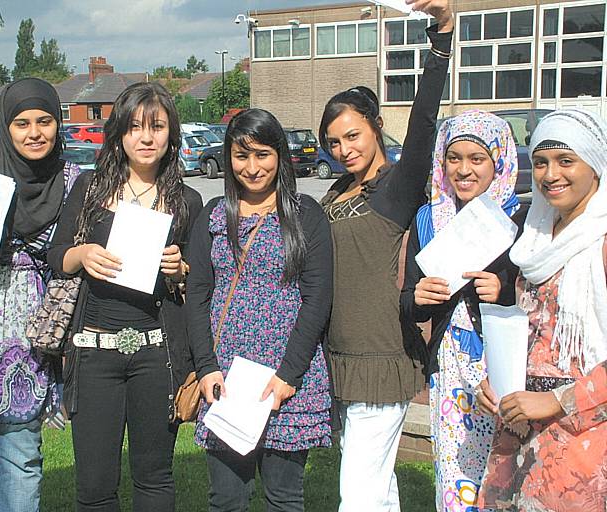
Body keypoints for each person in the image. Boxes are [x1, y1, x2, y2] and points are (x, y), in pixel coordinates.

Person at [316, 1, 453, 510]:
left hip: (384, 357)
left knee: (358, 491)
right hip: (343, 356)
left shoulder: (396, 186)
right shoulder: (335, 194)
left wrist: (440, 34)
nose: (344, 148)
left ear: (376, 127)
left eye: (353, 135)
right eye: (334, 142)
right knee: (375, 480)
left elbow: (423, 119)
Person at [47, 82, 203, 511]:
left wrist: (181, 269)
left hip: (156, 354)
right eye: (134, 127)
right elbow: (56, 255)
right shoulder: (89, 189)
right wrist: (81, 254)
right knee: (95, 485)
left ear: (171, 134)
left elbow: (200, 278)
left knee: (154, 478)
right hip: (94, 353)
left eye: (156, 126)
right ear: (119, 134)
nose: (146, 137)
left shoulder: (187, 201)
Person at [187, 108, 333, 512]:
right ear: (228, 158)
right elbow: (197, 295)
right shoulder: (215, 215)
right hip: (226, 379)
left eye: (262, 154)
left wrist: (290, 373)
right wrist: (206, 367)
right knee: (226, 498)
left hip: (284, 383)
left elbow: (317, 298)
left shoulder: (306, 214)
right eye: (241, 155)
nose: (252, 168)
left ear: (280, 157)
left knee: (284, 498)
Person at [476, 109, 607, 511]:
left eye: (566, 161)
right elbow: (530, 329)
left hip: (582, 432)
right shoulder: (533, 238)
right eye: (540, 163)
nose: (551, 175)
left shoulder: (600, 241)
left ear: (596, 166)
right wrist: (494, 377)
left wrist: (557, 401)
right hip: (517, 425)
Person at [400, 110, 527, 511]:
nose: (464, 170)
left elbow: (544, 306)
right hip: (449, 366)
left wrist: (506, 292)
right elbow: (407, 303)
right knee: (455, 479)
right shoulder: (429, 220)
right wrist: (418, 298)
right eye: (454, 158)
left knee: (505, 475)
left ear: (499, 161)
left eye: (477, 159)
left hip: (502, 369)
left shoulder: (521, 221)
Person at [0, 78, 81, 512]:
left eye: (44, 121)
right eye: (21, 123)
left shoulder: (72, 182)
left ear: (57, 124)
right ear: (5, 126)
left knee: (21, 458)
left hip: (30, 336)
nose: (34, 132)